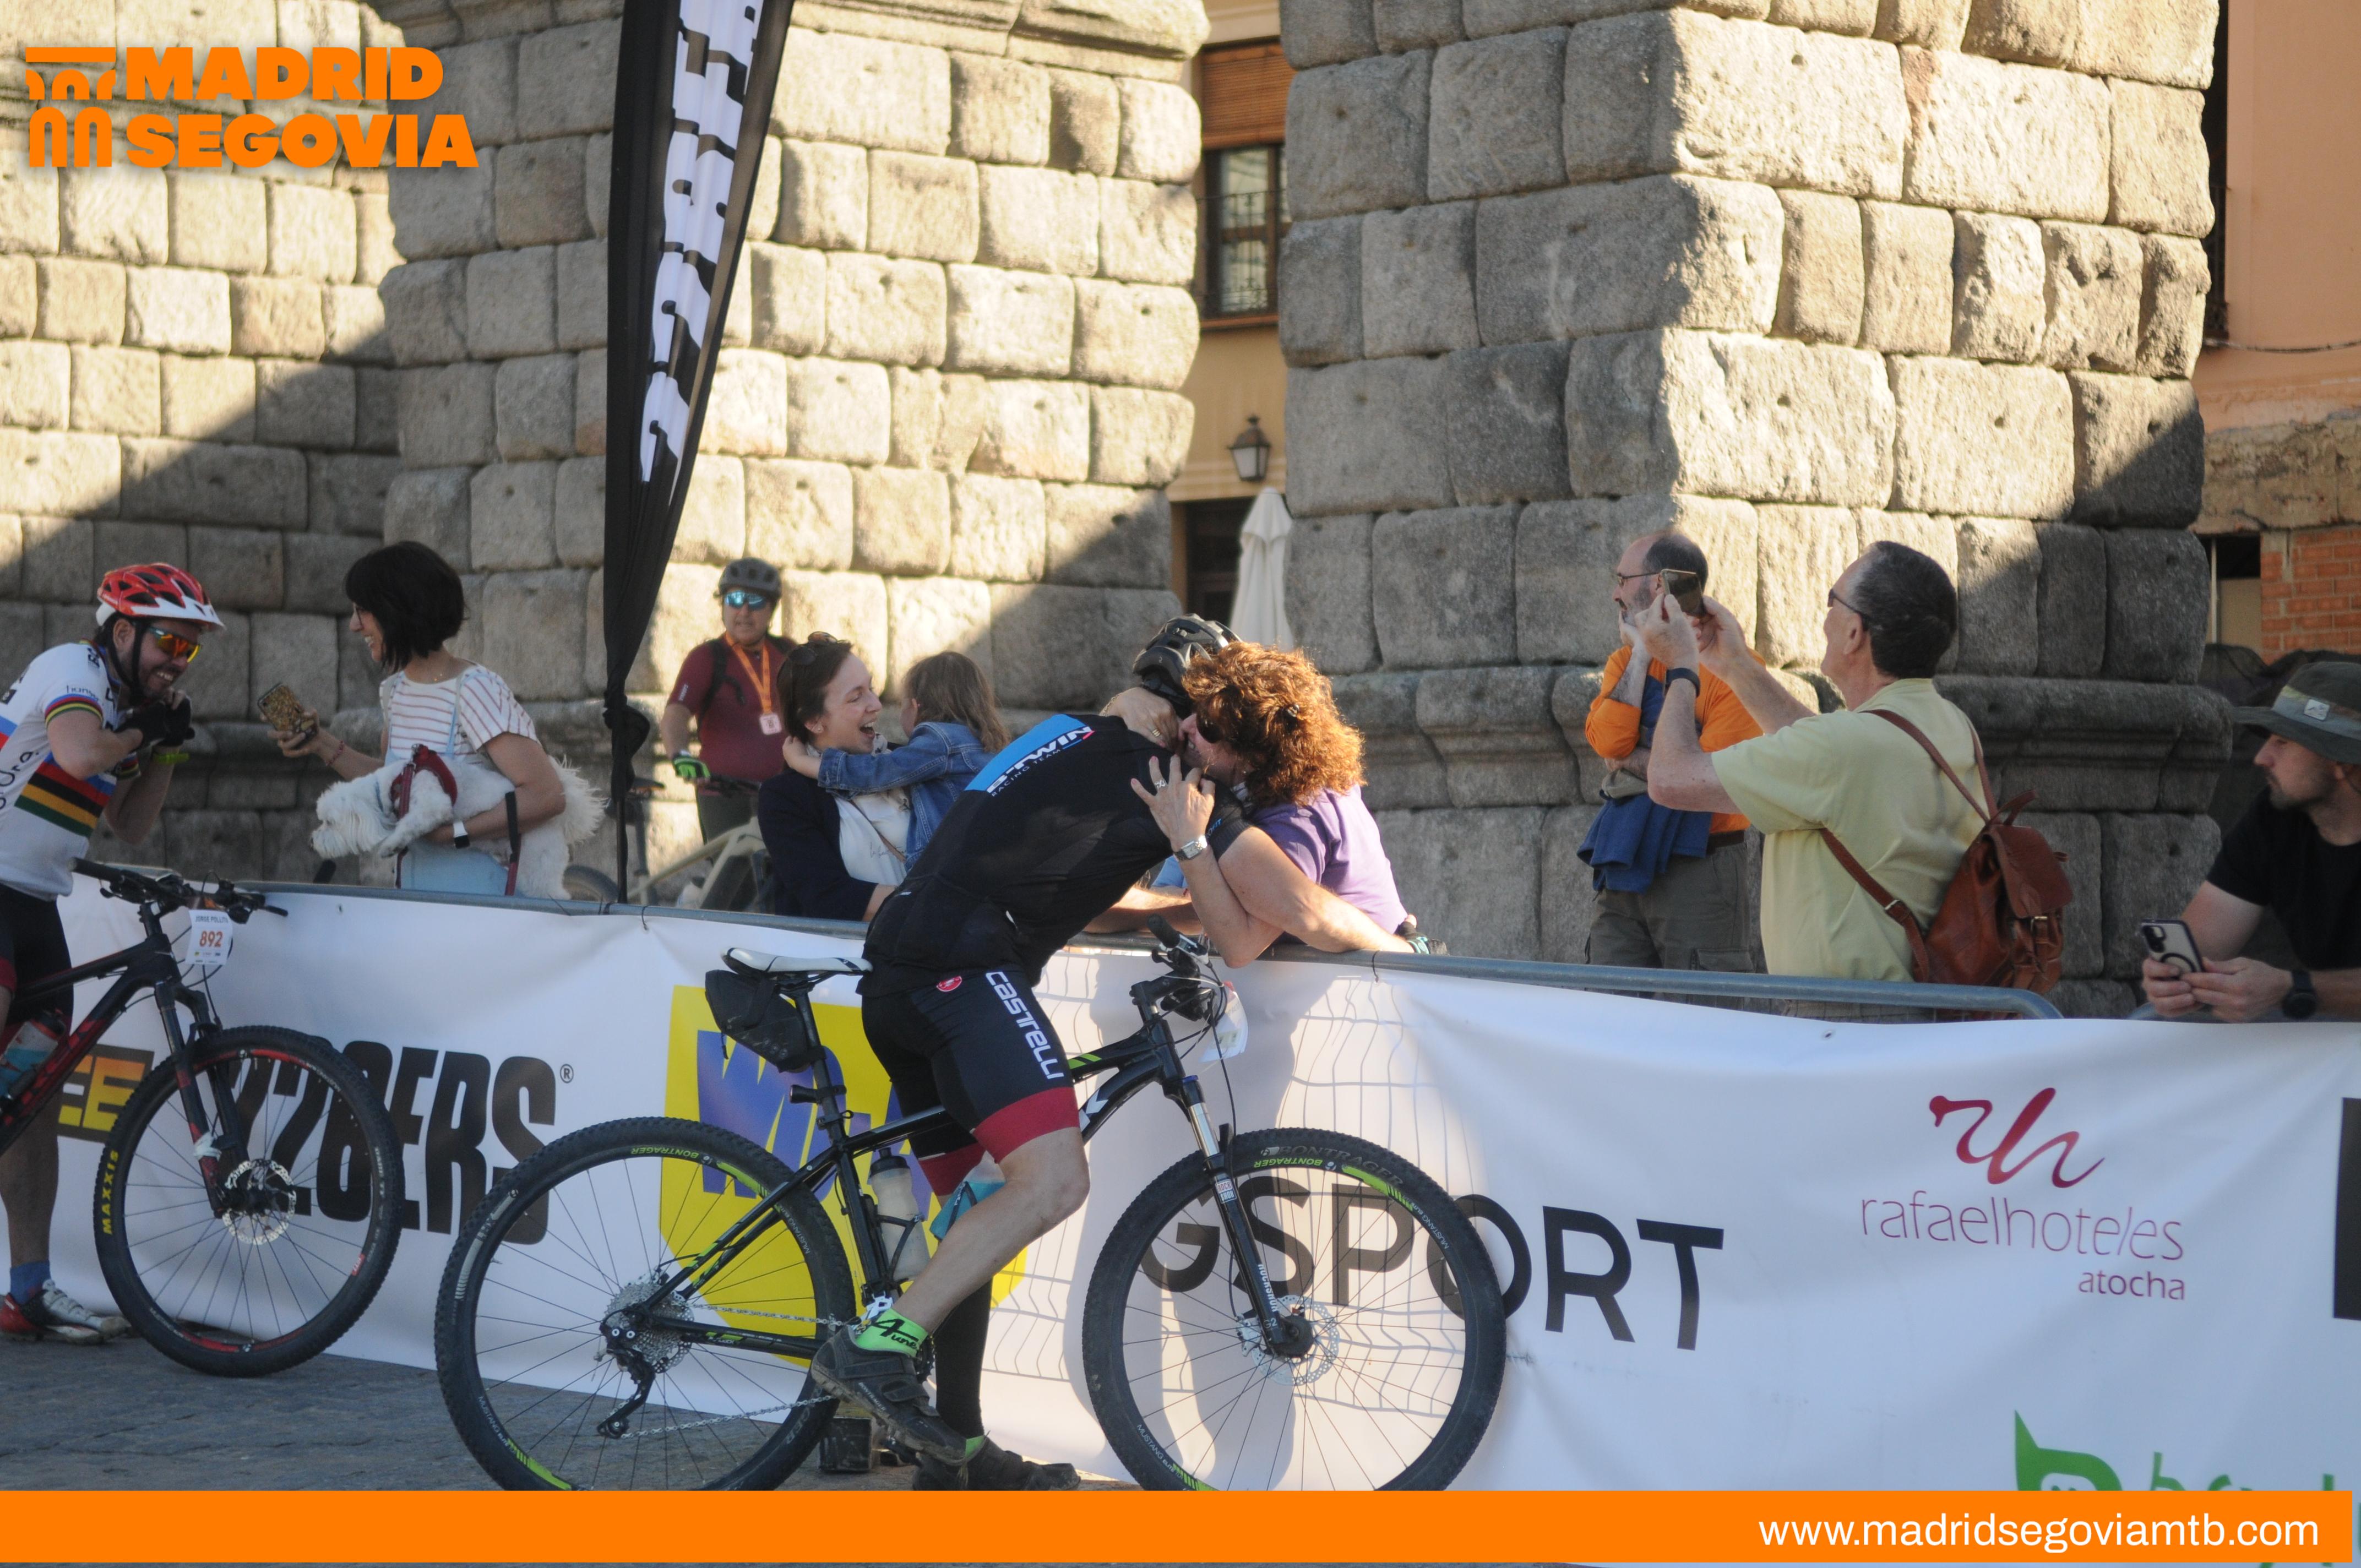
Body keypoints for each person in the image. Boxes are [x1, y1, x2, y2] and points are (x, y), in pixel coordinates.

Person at [806, 618, 1405, 1488]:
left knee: (977, 1215)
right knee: (1052, 1183)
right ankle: (878, 1349)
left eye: (1212, 729)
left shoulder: (1072, 735)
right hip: (961, 976)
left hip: (898, 975)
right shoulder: (1176, 779)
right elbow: (1298, 917)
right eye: (1199, 716)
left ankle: (956, 1452)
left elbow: (1084, 897)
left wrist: (1181, 903)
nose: (1197, 737)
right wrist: (1400, 949)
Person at [1, 565, 213, 1344]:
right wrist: (139, 734)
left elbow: (129, 823)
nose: (177, 661)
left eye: (190, 650)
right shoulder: (73, 668)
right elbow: (79, 755)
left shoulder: (125, 710)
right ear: (122, 631)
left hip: (35, 906)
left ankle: (28, 1289)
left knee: (31, 1101)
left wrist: (165, 751)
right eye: (168, 643)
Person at [1635, 541, 1983, 987]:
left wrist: (1682, 667)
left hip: (1846, 1013)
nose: (1825, 618)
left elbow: (1669, 779)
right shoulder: (1953, 724)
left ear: (1854, 633)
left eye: (1832, 601)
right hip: (1916, 998)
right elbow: (1821, 759)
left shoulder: (1842, 748)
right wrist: (1736, 665)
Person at [273, 542, 570, 894]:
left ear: (399, 607)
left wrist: (454, 835)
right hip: (418, 899)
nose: (354, 625)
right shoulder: (394, 692)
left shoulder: (474, 690)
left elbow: (546, 796)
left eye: (363, 610)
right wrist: (321, 743)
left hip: (483, 904)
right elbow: (395, 785)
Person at [1096, 640, 1417, 959]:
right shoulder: (1244, 790)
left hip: (1371, 983)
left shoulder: (1299, 814)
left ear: (1255, 753)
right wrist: (1123, 705)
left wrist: (1189, 844)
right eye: (1193, 709)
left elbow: (1240, 945)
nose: (1187, 726)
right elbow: (1173, 901)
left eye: (1208, 726)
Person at [1580, 532, 1763, 973]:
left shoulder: (1735, 671)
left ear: (1658, 585)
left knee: (1699, 1006)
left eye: (1622, 579)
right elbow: (1608, 742)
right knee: (1609, 1000)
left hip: (1702, 864)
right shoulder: (1626, 661)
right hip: (1627, 854)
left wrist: (1632, 760)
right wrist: (1643, 653)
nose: (1616, 594)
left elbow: (1706, 779)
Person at [2142, 661, 2361, 1022]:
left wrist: (2292, 989)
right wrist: (2175, 977)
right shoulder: (2275, 818)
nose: (2262, 757)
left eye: (2283, 742)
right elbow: (2205, 940)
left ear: (2342, 763)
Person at [781, 650, 1007, 866]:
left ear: (915, 706)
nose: (878, 705)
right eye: (856, 697)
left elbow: (877, 772)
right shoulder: (980, 743)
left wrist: (804, 763)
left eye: (901, 704)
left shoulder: (938, 743)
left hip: (954, 868)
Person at [756, 634, 906, 921]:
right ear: (814, 721)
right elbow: (829, 897)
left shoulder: (906, 760)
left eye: (871, 688)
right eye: (856, 697)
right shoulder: (786, 797)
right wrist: (936, 905)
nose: (876, 704)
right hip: (855, 948)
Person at [660, 559, 790, 844]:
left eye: (756, 601)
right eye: (735, 599)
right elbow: (675, 715)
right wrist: (681, 755)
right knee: (734, 872)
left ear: (772, 609)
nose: (744, 611)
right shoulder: (707, 658)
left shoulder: (788, 654)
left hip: (785, 793)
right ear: (723, 606)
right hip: (725, 797)